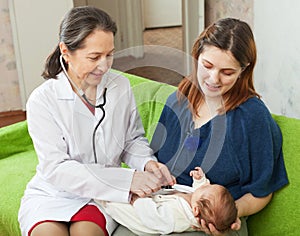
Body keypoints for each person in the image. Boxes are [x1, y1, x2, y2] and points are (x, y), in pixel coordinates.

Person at [18, 6, 174, 236]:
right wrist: (128, 179)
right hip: (53, 194)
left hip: (102, 196)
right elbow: (57, 168)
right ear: (66, 52)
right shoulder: (43, 101)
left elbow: (131, 140)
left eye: (109, 55)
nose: (104, 65)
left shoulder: (119, 86)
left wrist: (147, 164)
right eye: (94, 57)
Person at [150, 18, 289, 235]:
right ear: (197, 57)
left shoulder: (252, 118)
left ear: (243, 70)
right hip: (162, 206)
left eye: (227, 72)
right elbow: (154, 160)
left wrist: (232, 213)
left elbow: (261, 191)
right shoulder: (178, 100)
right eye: (207, 66)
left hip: (213, 221)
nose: (213, 79)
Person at [96, 167, 237, 235]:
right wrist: (200, 180)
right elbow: (202, 191)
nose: (207, 184)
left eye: (207, 187)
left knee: (115, 203)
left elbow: (153, 218)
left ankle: (100, 196)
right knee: (120, 183)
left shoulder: (178, 217)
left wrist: (139, 201)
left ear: (195, 210)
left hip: (140, 215)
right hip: (154, 200)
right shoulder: (197, 201)